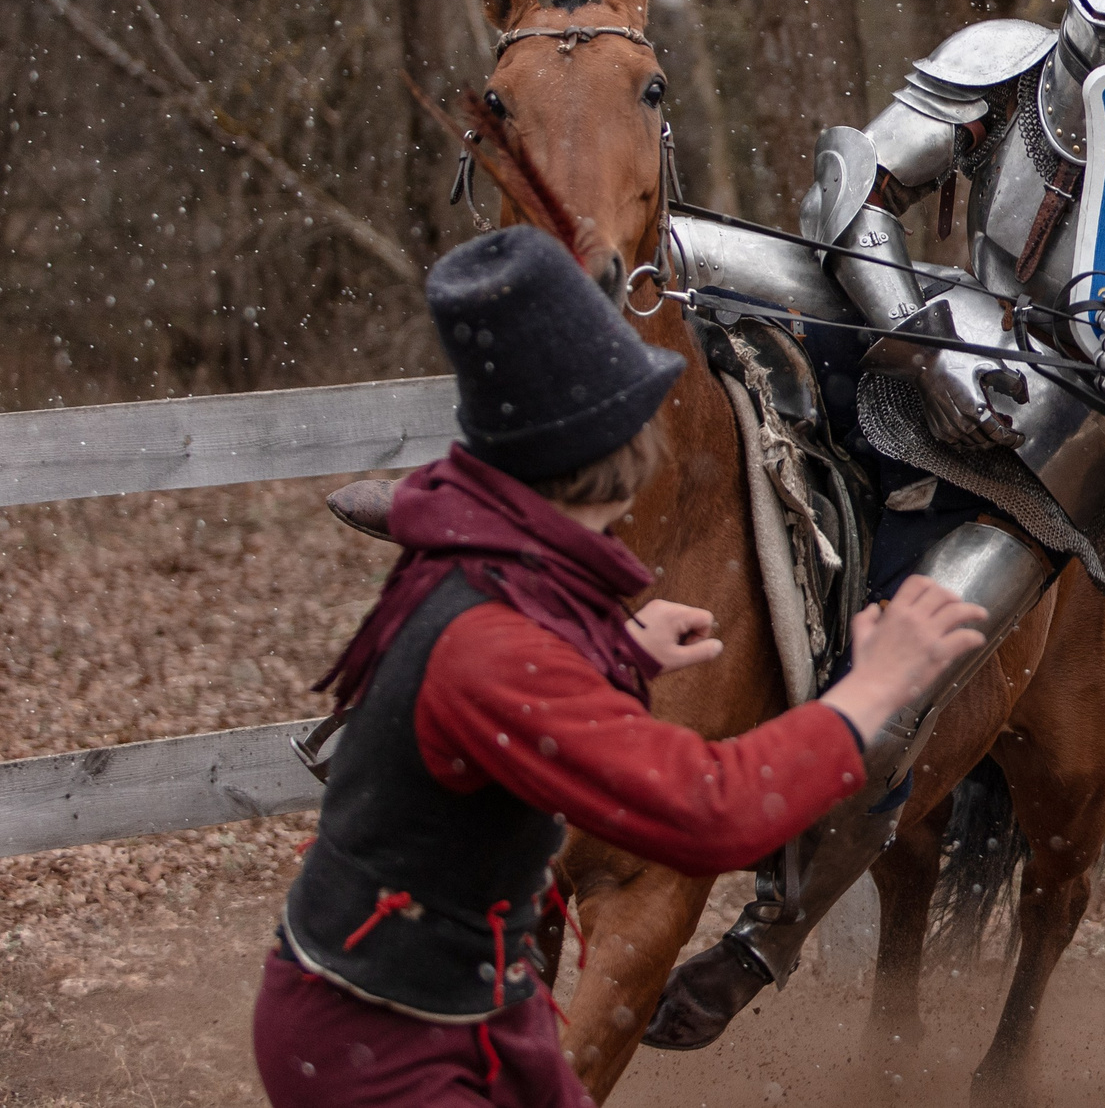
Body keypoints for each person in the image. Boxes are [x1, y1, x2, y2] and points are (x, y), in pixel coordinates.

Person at [648, 0, 1105, 1044]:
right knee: (679, 261)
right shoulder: (1011, 60)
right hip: (934, 327)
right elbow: (852, 184)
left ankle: (764, 940)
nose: (1101, 32)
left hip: (1076, 432)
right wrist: (921, 342)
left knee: (917, 669)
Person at [249, 226, 987, 1108]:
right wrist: (868, 693)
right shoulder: (491, 644)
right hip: (379, 1037)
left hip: (460, 999)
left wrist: (619, 651)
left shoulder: (468, 550)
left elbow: (508, 675)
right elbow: (705, 808)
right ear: (582, 473)